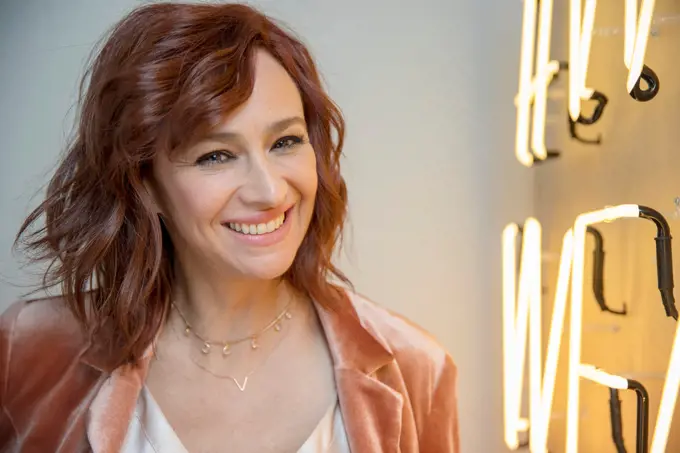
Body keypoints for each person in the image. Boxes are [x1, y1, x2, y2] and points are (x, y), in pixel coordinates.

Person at [0, 3, 460, 452]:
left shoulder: (415, 368)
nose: (270, 192)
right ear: (145, 185)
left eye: (285, 142)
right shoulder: (28, 353)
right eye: (216, 155)